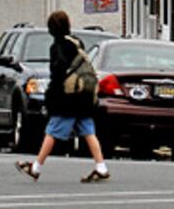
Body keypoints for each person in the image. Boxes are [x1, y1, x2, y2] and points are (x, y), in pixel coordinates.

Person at [15, 10, 110, 183]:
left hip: (68, 99)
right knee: (89, 131)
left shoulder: (57, 46)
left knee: (52, 131)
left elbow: (58, 74)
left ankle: (36, 167)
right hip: (84, 96)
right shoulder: (76, 42)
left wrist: (52, 96)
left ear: (52, 28)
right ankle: (101, 166)